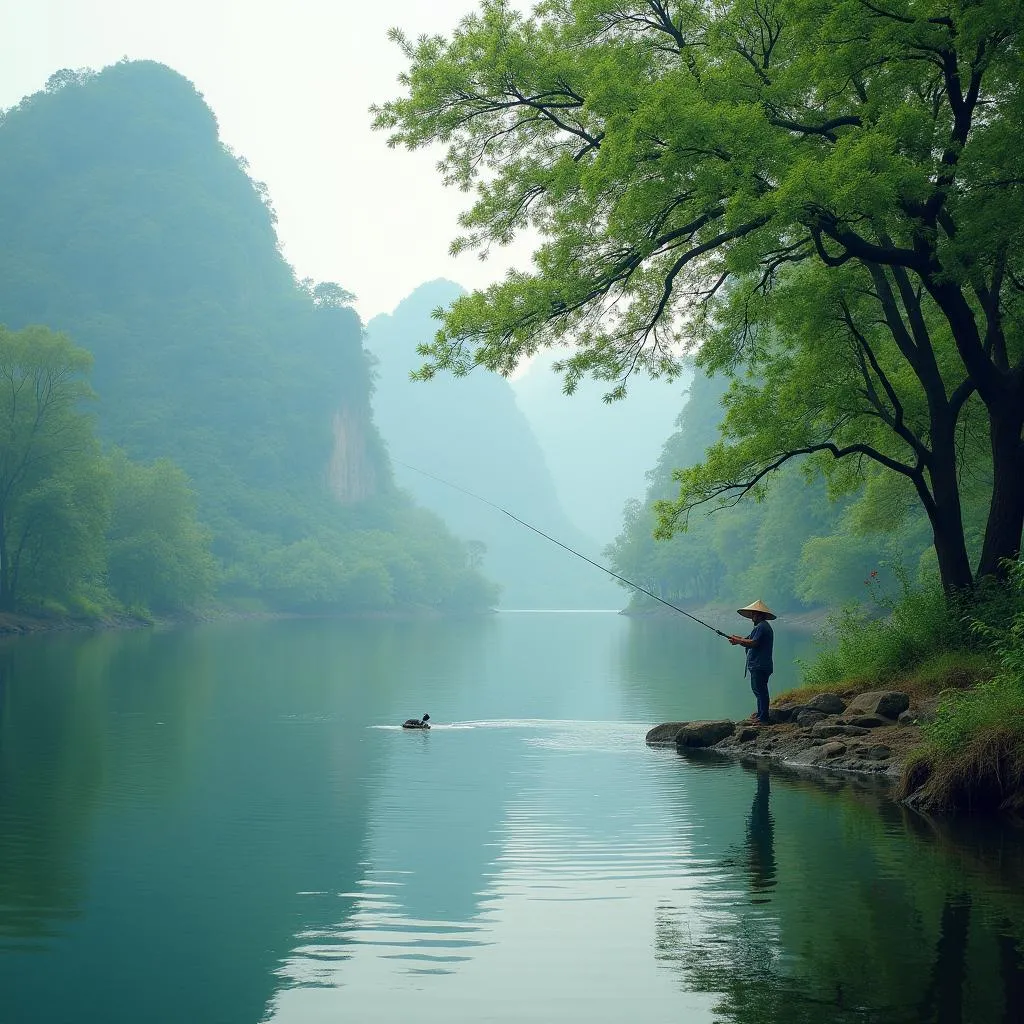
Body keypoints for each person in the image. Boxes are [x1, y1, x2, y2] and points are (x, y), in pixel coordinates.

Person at [727, 600, 776, 725]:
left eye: (753, 615)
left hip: (760, 665)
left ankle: (763, 718)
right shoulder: (760, 627)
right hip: (759, 665)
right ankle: (760, 715)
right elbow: (749, 639)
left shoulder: (762, 627)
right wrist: (738, 639)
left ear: (759, 615)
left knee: (760, 691)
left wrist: (738, 641)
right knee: (758, 690)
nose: (751, 617)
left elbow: (753, 643)